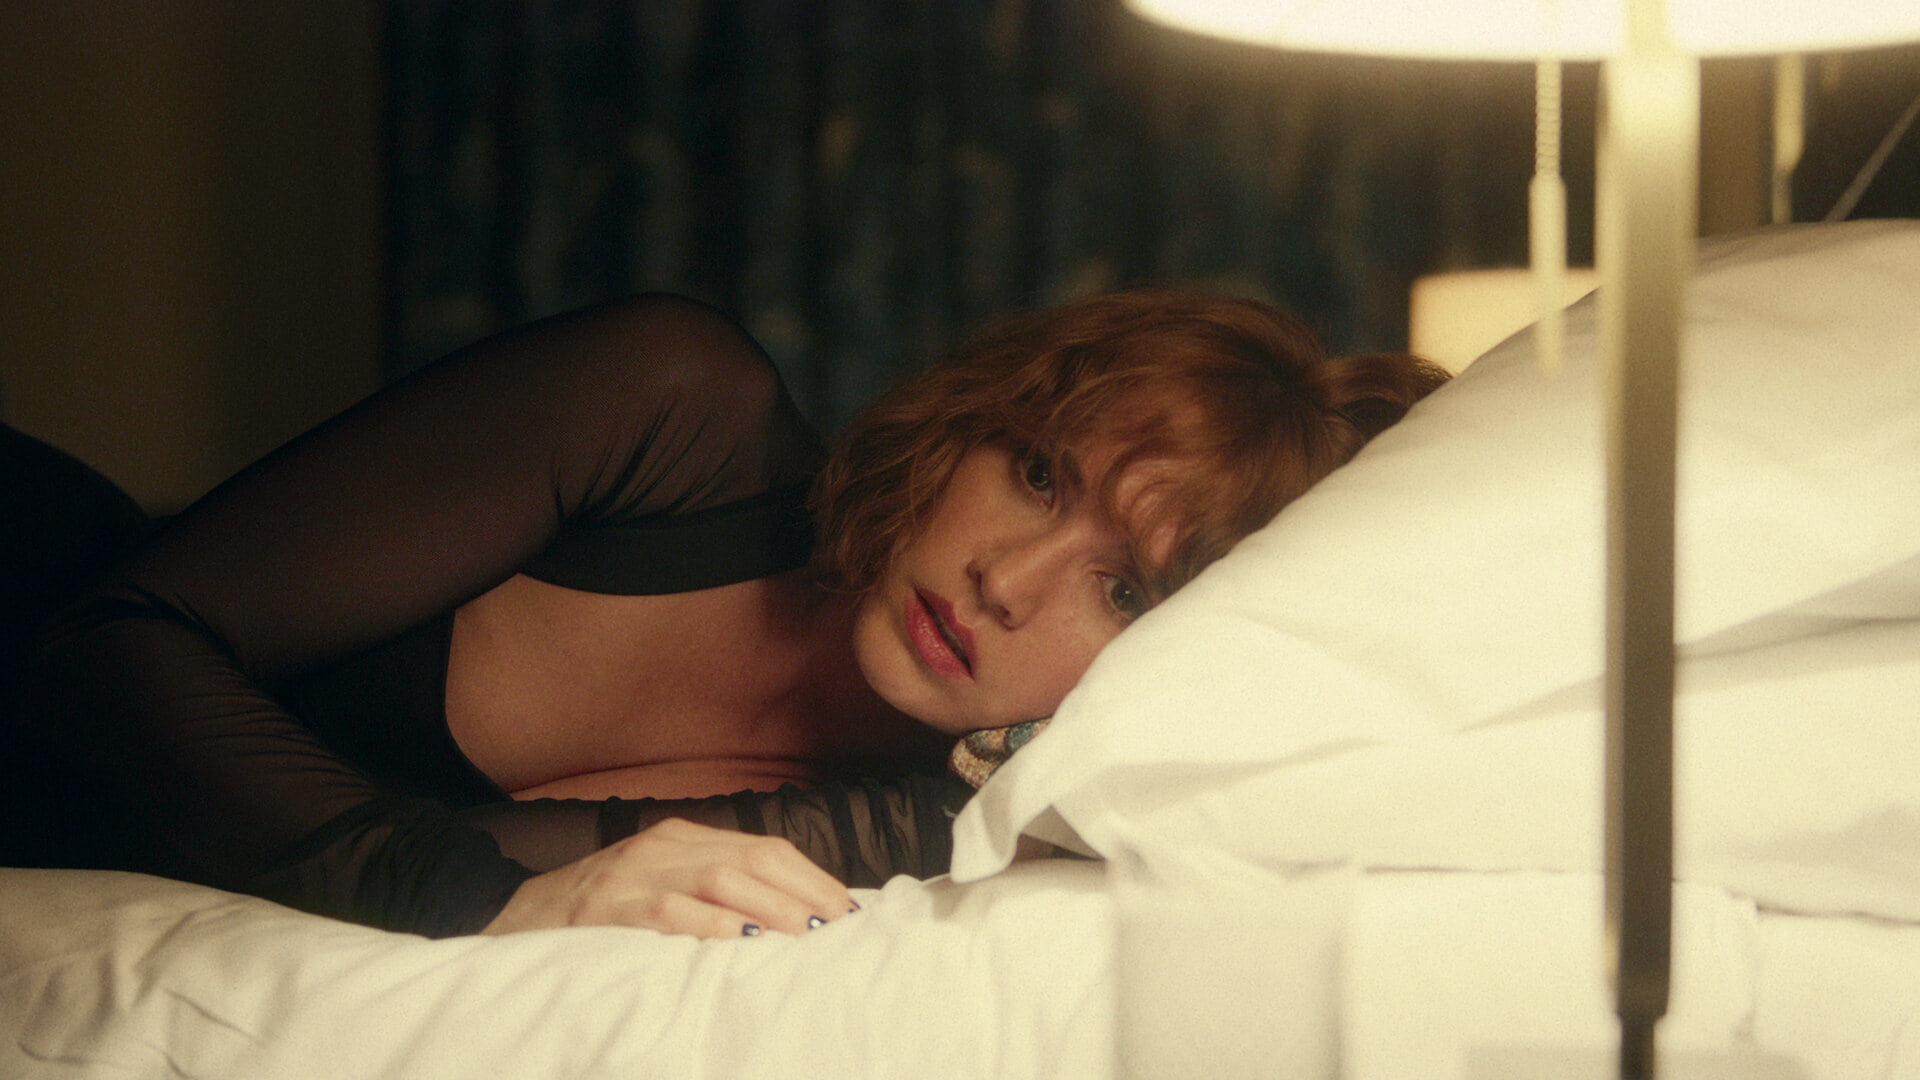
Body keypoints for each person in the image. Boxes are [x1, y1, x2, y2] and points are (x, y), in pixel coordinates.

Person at [4, 289, 1448, 939]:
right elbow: (107, 645)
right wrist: (476, 898)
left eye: (1123, 587)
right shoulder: (673, 410)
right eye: (1035, 472)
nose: (1008, 578)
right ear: (967, 424)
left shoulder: (912, 837)